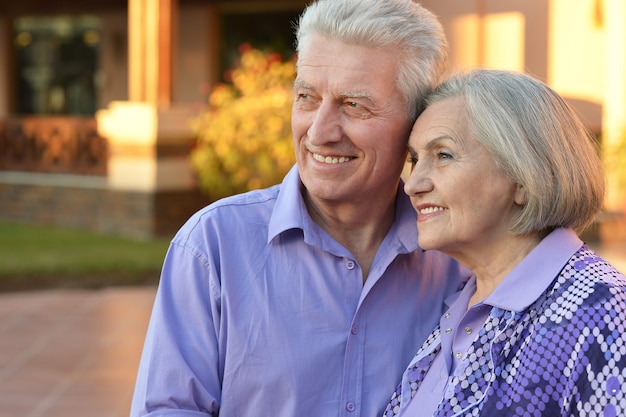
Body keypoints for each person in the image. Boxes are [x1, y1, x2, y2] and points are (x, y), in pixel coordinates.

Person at [129, 1, 469, 416]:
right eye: (307, 98)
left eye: (354, 105)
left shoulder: (459, 258)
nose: (319, 132)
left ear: (416, 124)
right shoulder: (211, 246)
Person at [382, 68, 626, 417]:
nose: (413, 183)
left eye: (444, 155)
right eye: (415, 159)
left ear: (524, 178)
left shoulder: (603, 311)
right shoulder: (462, 302)